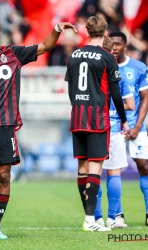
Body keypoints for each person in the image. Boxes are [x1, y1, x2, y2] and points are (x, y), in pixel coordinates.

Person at [0, 17, 77, 240]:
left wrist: (57, 28)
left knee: (4, 175)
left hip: (5, 126)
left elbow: (45, 46)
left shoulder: (13, 54)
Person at [64, 16, 129, 232]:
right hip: (97, 117)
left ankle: (90, 218)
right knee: (95, 167)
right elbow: (116, 94)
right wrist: (123, 118)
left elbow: (70, 89)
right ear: (105, 32)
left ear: (87, 31)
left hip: (77, 115)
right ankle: (91, 220)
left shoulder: (74, 55)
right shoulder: (107, 57)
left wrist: (78, 106)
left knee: (82, 168)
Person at [94, 35, 135, 228]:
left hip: (94, 125)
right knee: (114, 172)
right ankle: (113, 218)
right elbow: (130, 104)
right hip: (115, 126)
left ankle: (96, 218)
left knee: (94, 173)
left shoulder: (92, 71)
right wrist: (120, 117)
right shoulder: (117, 73)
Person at [108, 31, 148, 226]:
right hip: (112, 126)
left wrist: (138, 125)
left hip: (136, 127)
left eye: (117, 44)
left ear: (125, 46)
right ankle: (117, 215)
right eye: (111, 44)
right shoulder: (104, 66)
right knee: (113, 170)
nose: (114, 47)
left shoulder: (138, 68)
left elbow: (145, 97)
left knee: (145, 167)